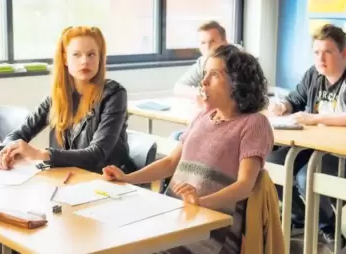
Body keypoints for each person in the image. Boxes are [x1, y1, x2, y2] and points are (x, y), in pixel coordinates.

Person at [103, 44, 274, 254]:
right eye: (205, 74)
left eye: (214, 75)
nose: (203, 82)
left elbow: (244, 185)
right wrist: (127, 178)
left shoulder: (254, 124)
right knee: (117, 237)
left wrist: (200, 202)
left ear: (237, 83)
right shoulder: (203, 116)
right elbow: (170, 163)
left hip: (211, 229)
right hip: (177, 215)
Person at [0, 26, 136, 175]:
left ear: (100, 57)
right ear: (65, 58)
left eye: (91, 54)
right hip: (70, 178)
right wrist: (7, 151)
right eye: (76, 54)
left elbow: (97, 153)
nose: (85, 61)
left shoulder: (114, 94)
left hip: (110, 181)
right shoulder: (57, 96)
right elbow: (20, 134)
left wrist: (40, 154)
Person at [268, 24, 346, 246]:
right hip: (314, 148)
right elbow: (295, 99)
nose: (321, 58)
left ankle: (328, 228)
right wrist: (283, 106)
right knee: (270, 164)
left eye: (328, 52)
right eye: (317, 52)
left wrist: (316, 118)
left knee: (304, 176)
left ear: (344, 54)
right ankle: (300, 216)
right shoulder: (313, 74)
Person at [170, 20, 228, 140]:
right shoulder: (203, 61)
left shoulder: (239, 61)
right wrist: (200, 93)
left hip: (227, 124)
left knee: (179, 138)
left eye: (212, 42)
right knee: (175, 137)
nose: (207, 47)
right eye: (203, 43)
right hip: (210, 119)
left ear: (225, 42)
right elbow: (178, 87)